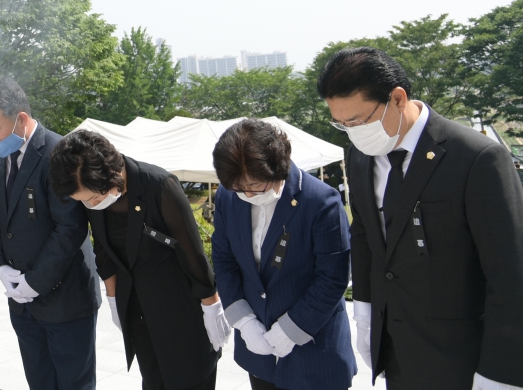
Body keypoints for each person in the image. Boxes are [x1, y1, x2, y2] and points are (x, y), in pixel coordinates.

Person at [318, 47, 523, 390]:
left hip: (464, 359)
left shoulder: (477, 158)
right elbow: (367, 234)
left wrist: (500, 374)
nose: (352, 132)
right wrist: (366, 313)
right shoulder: (361, 156)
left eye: (358, 121)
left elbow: (512, 275)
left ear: (397, 98)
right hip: (398, 353)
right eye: (341, 124)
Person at [48, 129, 227, 390]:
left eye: (94, 198)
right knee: (153, 381)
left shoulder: (159, 185)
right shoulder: (94, 197)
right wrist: (113, 300)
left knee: (190, 378)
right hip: (138, 311)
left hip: (179, 308)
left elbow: (193, 254)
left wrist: (211, 305)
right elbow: (104, 250)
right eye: (84, 202)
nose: (92, 205)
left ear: (111, 175)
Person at [0, 77, 101, 390]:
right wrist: (0, 266)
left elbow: (69, 227)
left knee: (73, 384)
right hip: (22, 302)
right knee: (39, 381)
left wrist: (35, 282)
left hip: (65, 298)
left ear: (21, 119)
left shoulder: (58, 153)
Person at [210, 119, 356, 390]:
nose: (246, 194)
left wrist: (292, 327)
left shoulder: (320, 201)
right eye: (238, 188)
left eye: (255, 186)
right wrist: (243, 319)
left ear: (279, 167)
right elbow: (224, 259)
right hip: (259, 349)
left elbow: (333, 276)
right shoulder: (228, 198)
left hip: (314, 349)